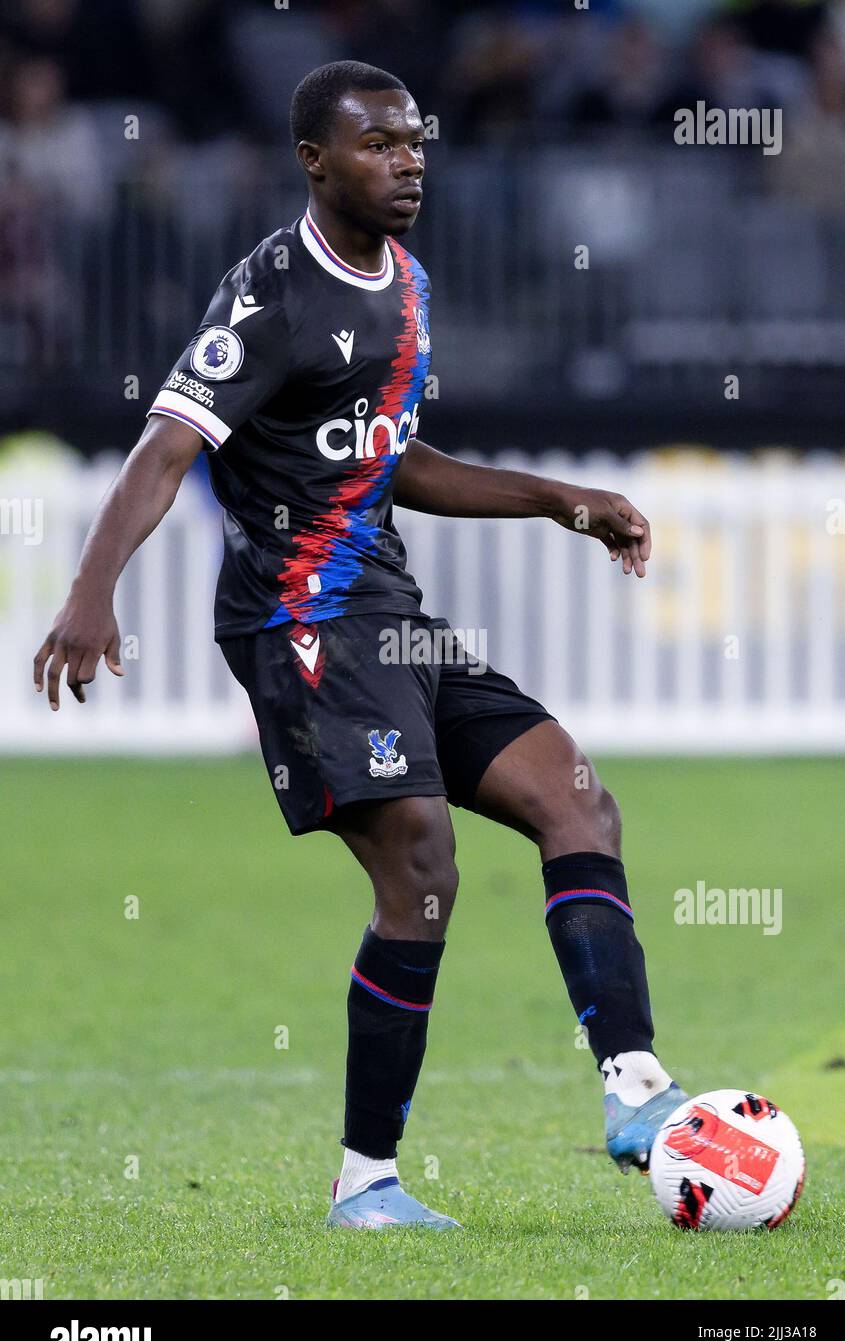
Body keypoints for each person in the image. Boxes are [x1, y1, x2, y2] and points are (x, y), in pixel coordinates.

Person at [33, 61, 685, 1231]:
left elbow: (400, 463)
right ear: (315, 162)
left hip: (389, 611)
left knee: (576, 798)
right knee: (421, 864)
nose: (408, 161)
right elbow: (162, 451)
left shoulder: (409, 286)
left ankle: (635, 1091)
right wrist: (92, 596)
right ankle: (366, 1182)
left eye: (416, 142)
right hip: (296, 624)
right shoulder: (271, 295)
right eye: (379, 144)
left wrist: (558, 499)